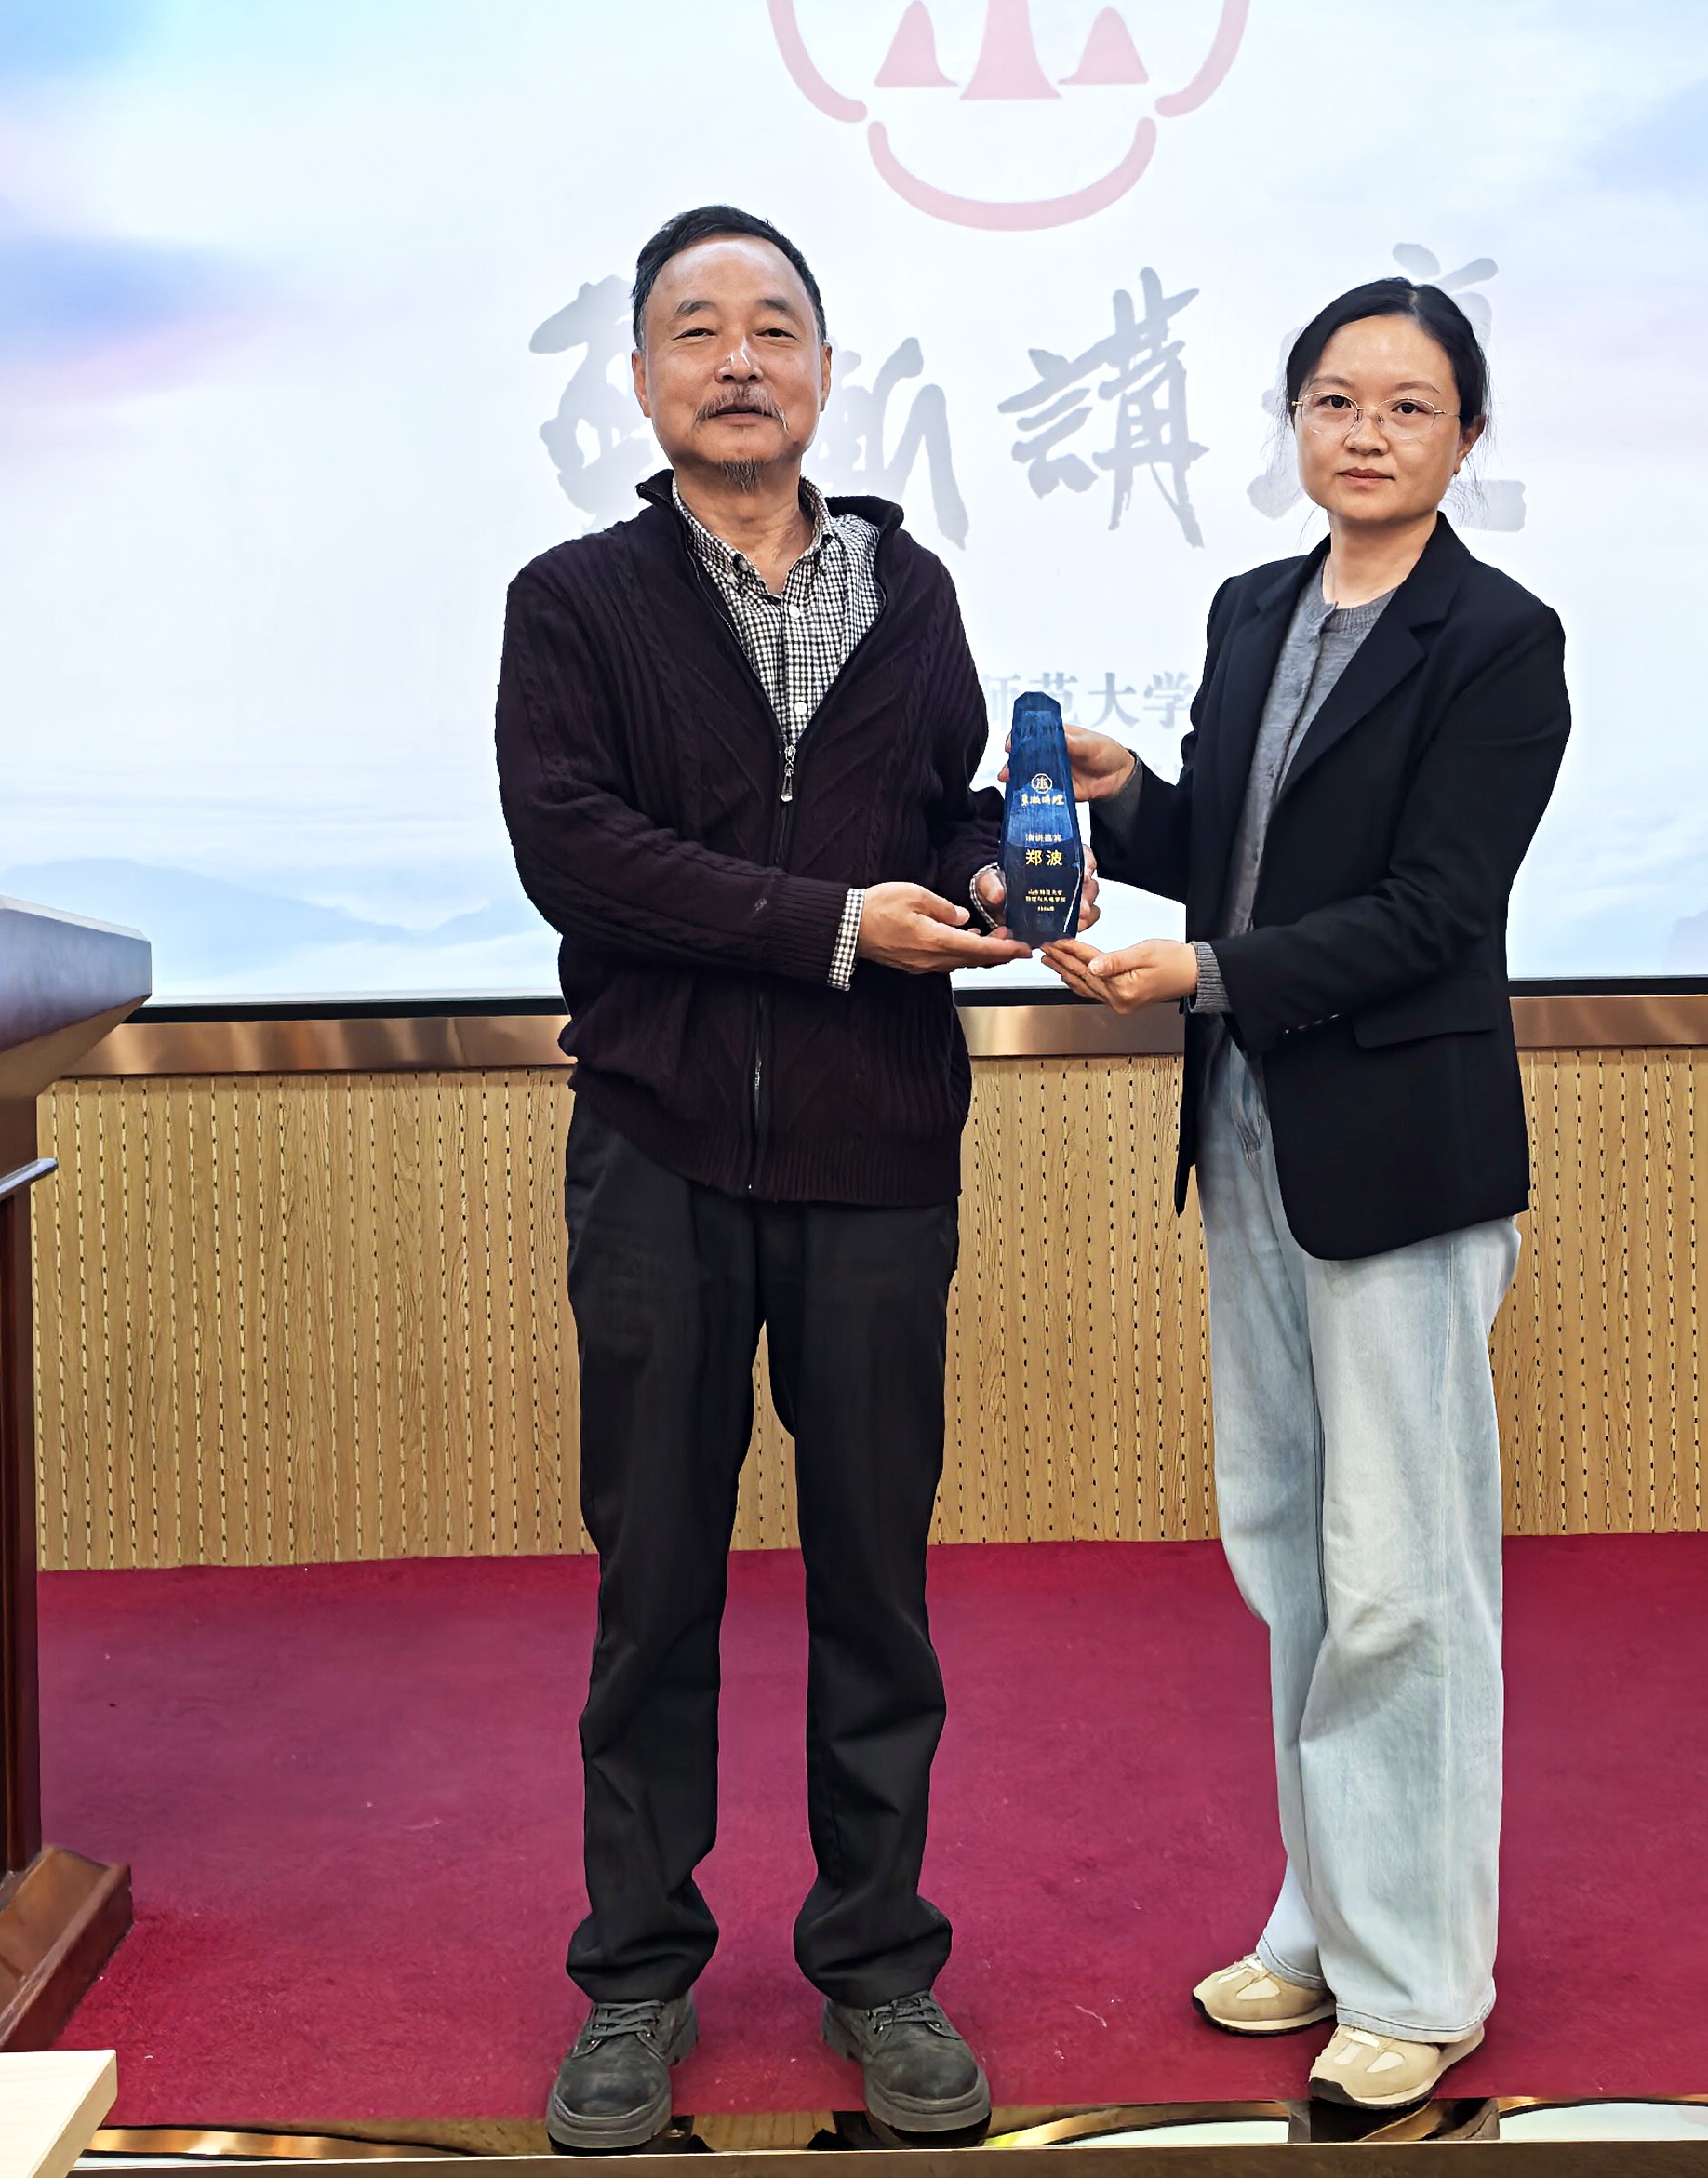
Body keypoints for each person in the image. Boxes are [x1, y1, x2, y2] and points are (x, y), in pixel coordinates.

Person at [496, 204, 1043, 2149]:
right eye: (696, 327)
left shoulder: (914, 590)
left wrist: (993, 868)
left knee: (875, 1580)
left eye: (775, 326)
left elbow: (937, 803)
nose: (739, 358)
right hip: (656, 1145)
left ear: (824, 368)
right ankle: (633, 1977)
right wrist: (827, 927)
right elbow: (574, 850)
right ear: (641, 375)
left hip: (878, 1149)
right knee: (652, 1580)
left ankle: (879, 1961)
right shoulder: (575, 600)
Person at [1045, 275, 1568, 2114]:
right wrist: (1134, 801)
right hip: (1255, 1125)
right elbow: (1248, 853)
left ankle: (1419, 1978)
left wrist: (1201, 973)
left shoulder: (1498, 640)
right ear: (1293, 420)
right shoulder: (1253, 607)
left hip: (1401, 1153)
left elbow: (1435, 910)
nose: (1365, 432)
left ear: (1466, 439)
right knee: (1286, 1548)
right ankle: (1329, 1919)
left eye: (1407, 407)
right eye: (1335, 400)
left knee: (1401, 1572)